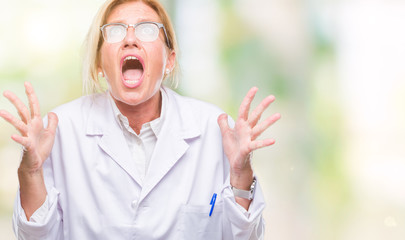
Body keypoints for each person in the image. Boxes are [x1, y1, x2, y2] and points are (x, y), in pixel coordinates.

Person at [0, 0, 280, 239]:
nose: (130, 38)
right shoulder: (59, 130)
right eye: (115, 31)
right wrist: (31, 172)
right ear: (99, 64)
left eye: (147, 29)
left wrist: (241, 176)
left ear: (170, 60)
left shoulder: (214, 128)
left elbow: (247, 236)